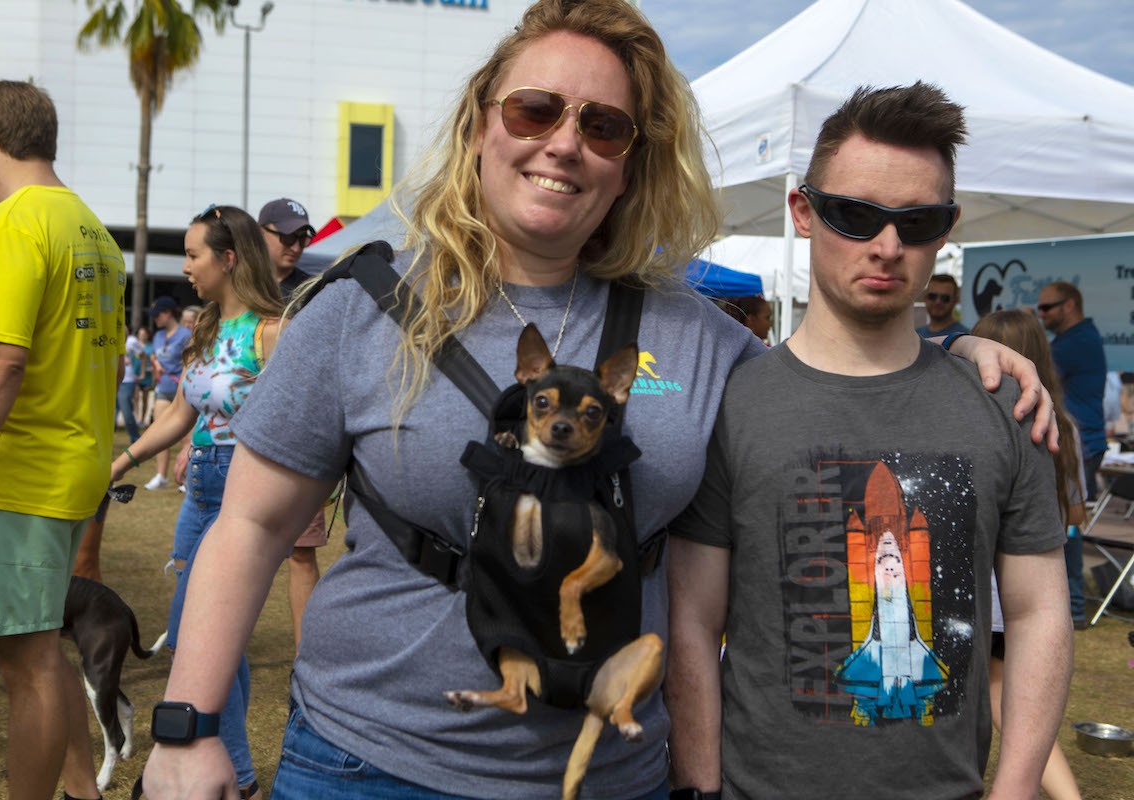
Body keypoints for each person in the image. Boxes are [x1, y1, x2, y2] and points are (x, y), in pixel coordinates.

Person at [138, 5, 1053, 797]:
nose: (565, 141)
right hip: (371, 762)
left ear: (628, 164)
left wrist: (963, 351)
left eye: (604, 126)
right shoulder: (361, 307)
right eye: (535, 109)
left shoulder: (702, 339)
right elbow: (250, 529)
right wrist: (187, 724)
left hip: (612, 773)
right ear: (480, 126)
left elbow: (833, 375)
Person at [665, 83, 1073, 800]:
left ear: (946, 229)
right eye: (856, 215)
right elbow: (694, 621)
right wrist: (700, 788)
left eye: (916, 222)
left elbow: (1040, 613)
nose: (887, 246)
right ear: (804, 209)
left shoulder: (1004, 405)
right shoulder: (734, 404)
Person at [0, 79, 124, 800]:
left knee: (28, 665)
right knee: (44, 649)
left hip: (21, 473)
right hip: (73, 468)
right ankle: (83, 789)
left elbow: (0, 358)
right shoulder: (92, 230)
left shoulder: (13, 222)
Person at [111, 204, 281, 800]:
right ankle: (236, 773)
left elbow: (295, 421)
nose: (184, 267)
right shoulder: (204, 329)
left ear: (228, 258)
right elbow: (182, 415)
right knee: (210, 639)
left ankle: (234, 774)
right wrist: (123, 461)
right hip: (200, 489)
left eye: (192, 254)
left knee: (197, 632)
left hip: (242, 489)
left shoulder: (270, 330)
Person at [972, 309, 1084, 799]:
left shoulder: (988, 417)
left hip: (999, 585)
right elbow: (1077, 511)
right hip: (1045, 568)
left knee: (1003, 695)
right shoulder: (1066, 424)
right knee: (1016, 699)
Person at [257, 196, 329, 650]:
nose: (297, 245)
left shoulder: (316, 291)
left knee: (301, 554)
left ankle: (306, 660)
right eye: (286, 235)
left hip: (298, 438)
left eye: (303, 236)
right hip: (231, 440)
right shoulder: (237, 285)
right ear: (260, 233)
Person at [1038, 280, 1107, 501]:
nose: (1041, 314)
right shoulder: (1076, 338)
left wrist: (1026, 328)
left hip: (1079, 444)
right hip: (1080, 442)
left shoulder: (1077, 342)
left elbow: (1036, 372)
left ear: (1069, 306)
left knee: (1067, 523)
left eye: (1046, 308)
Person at [144, 296, 190, 490]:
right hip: (163, 387)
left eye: (157, 315)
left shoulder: (186, 334)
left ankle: (186, 477)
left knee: (185, 436)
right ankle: (161, 476)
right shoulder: (158, 336)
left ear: (168, 313)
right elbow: (154, 354)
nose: (155, 319)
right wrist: (155, 362)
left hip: (182, 389)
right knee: (160, 431)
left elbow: (191, 359)